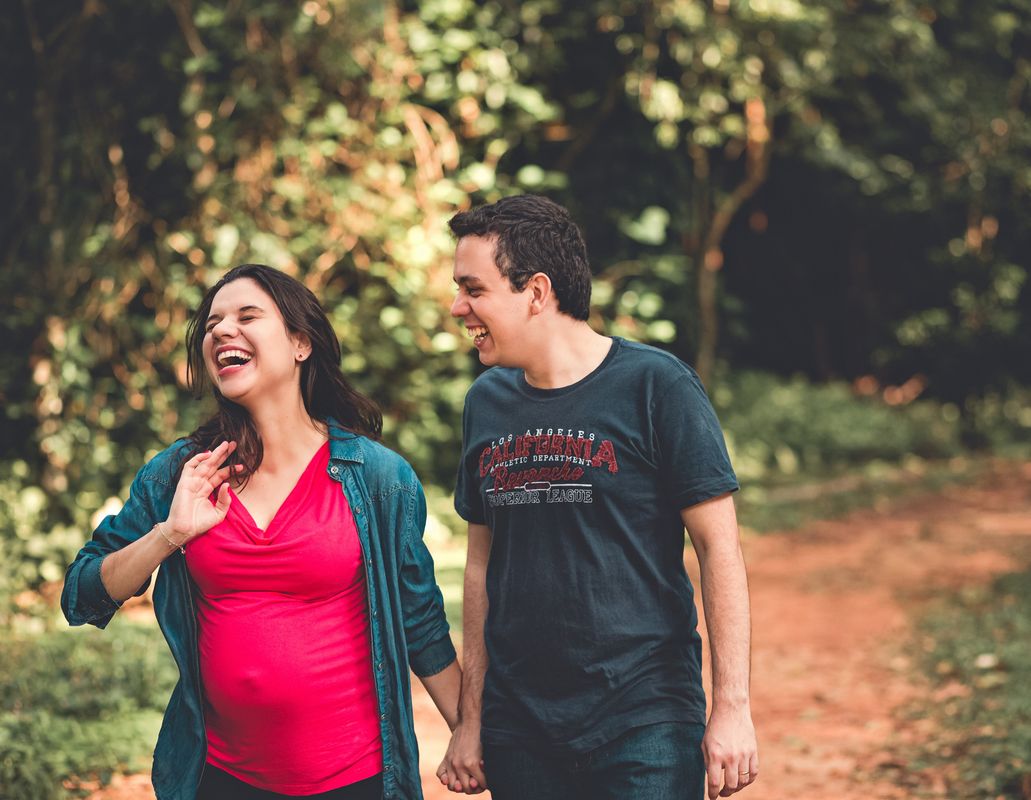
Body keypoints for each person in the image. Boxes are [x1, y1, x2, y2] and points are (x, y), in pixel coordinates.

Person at [62, 263, 462, 800]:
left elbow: (421, 623)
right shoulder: (180, 475)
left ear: (301, 344)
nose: (221, 330)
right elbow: (81, 596)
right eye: (212, 324)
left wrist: (470, 732)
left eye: (247, 316)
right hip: (219, 778)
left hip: (358, 778)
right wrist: (169, 533)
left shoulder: (378, 479)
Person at [436, 195, 758, 800]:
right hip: (521, 728)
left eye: (473, 289)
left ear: (535, 291)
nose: (458, 308)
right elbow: (480, 566)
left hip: (646, 719)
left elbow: (720, 549)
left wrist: (732, 708)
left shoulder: (657, 386)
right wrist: (473, 720)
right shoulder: (487, 401)